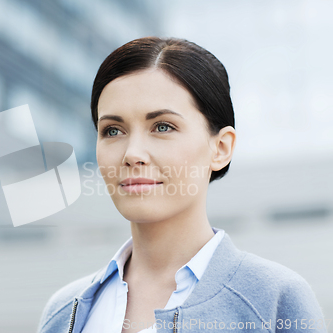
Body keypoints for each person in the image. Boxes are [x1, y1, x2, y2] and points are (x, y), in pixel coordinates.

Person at [36, 37, 327, 333]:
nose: (132, 153)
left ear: (221, 148)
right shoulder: (64, 311)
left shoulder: (273, 300)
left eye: (163, 126)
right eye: (112, 130)